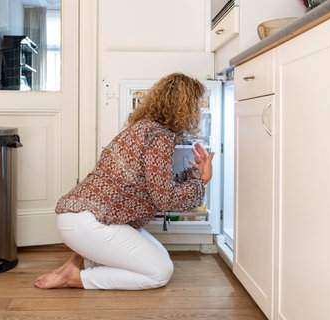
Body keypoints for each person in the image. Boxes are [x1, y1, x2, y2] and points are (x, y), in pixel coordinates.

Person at [34, 73, 215, 290]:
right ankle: (77, 279)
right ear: (183, 107)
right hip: (91, 223)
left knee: (158, 255)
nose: (197, 112)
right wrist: (202, 180)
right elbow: (165, 199)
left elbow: (154, 184)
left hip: (81, 218)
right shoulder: (160, 137)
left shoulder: (143, 128)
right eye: (195, 105)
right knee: (160, 273)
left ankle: (77, 262)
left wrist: (194, 175)